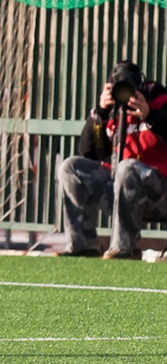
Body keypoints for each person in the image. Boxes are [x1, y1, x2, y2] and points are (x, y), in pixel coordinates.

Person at [57, 60, 167, 259]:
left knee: (128, 167)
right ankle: (83, 245)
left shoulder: (160, 102)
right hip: (121, 189)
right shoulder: (112, 114)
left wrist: (150, 116)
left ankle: (125, 247)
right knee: (70, 167)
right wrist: (99, 112)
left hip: (159, 193)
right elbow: (87, 152)